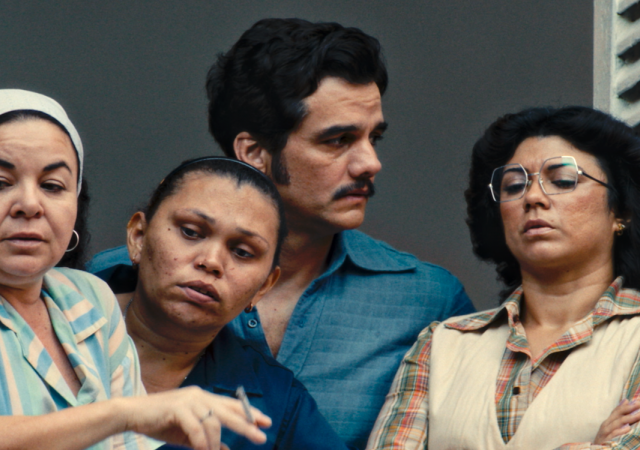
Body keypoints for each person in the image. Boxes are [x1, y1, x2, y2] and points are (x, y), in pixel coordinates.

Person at [88, 18, 475, 448]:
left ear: (265, 281)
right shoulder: (104, 285)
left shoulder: (429, 300)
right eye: (338, 140)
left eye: (374, 138)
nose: (370, 163)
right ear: (255, 152)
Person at [0, 89, 271, 450]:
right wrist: (121, 414)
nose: (30, 204)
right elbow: (126, 418)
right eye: (1, 182)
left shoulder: (90, 298)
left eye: (52, 186)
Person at [367, 106, 640, 449]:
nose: (533, 197)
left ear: (622, 211)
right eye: (514, 186)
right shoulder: (441, 346)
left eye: (562, 181)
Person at [96, 156, 351, 450]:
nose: (211, 261)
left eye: (242, 252)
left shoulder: (275, 402)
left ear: (263, 287)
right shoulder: (58, 315)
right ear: (138, 237)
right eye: (191, 232)